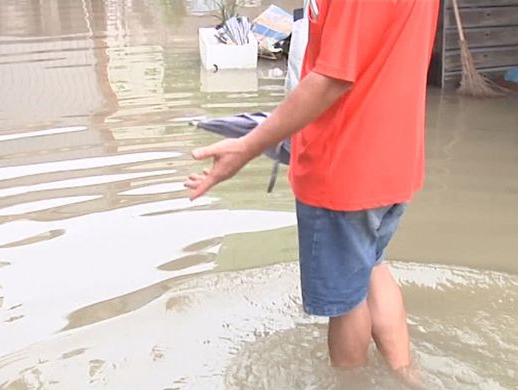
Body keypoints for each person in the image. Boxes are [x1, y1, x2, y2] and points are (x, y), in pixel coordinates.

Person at [184, 0, 439, 371]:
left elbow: (332, 79)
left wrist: (246, 147)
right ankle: (408, 379)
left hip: (345, 169)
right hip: (395, 161)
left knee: (346, 303)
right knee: (371, 268)